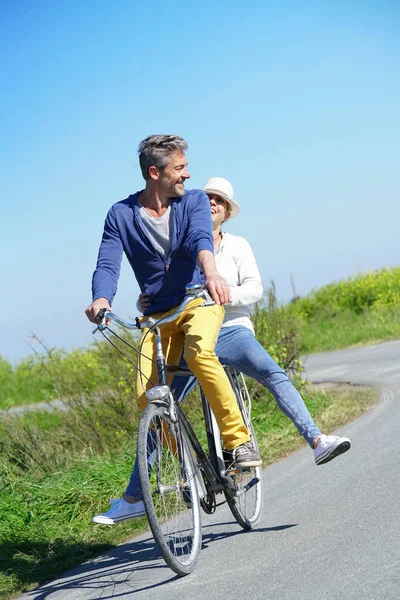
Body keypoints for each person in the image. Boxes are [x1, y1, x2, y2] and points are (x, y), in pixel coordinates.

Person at [92, 176, 351, 525]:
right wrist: (149, 299)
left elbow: (256, 289)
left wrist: (222, 292)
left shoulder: (237, 246)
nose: (212, 203)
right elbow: (164, 283)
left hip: (229, 329)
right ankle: (142, 491)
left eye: (220, 201)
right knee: (159, 406)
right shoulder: (181, 238)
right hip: (185, 329)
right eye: (209, 197)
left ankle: (317, 440)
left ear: (227, 213)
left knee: (272, 372)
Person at [86, 136, 261, 475]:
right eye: (179, 168)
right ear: (155, 173)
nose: (187, 175)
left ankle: (239, 442)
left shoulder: (193, 201)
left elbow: (200, 238)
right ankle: (189, 465)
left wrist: (212, 273)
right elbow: (107, 263)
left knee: (200, 355)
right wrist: (101, 299)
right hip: (157, 315)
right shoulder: (120, 215)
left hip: (198, 300)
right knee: (145, 395)